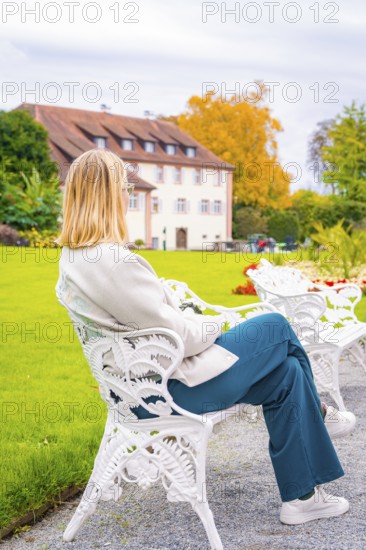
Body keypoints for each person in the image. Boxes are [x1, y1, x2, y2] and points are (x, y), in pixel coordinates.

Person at [55, 149, 356, 526]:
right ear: (109, 196)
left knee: (288, 376)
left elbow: (154, 323)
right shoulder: (112, 262)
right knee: (277, 326)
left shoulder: (75, 258)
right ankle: (322, 414)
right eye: (123, 189)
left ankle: (302, 498)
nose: (126, 197)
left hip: (147, 387)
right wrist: (215, 325)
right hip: (170, 394)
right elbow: (183, 336)